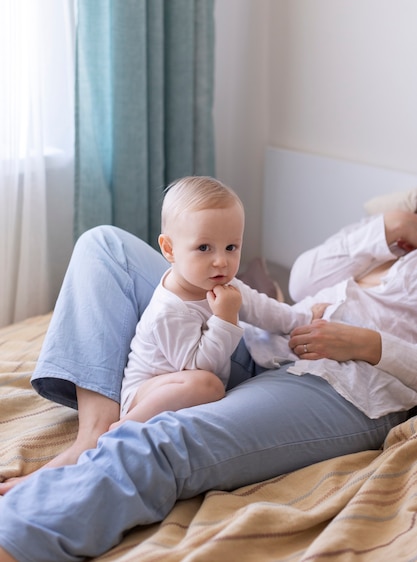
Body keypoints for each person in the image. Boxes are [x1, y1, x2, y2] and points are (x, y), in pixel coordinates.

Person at [1, 206, 417, 562]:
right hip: (254, 341)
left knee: (159, 442)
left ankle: (19, 532)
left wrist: (369, 344)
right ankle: (91, 438)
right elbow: (303, 281)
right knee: (105, 246)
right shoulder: (392, 238)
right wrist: (389, 228)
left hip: (344, 384)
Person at [112, 175, 315, 429]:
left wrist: (304, 319)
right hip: (147, 394)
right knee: (208, 385)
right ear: (169, 249)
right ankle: (124, 427)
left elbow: (263, 309)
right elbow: (200, 367)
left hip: (187, 385)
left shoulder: (220, 282)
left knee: (215, 386)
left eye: (231, 247)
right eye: (204, 248)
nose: (221, 261)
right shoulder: (169, 310)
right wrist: (225, 318)